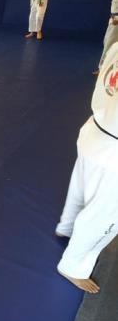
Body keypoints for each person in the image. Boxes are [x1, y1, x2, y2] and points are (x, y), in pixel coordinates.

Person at [55, 42, 118, 294]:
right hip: (114, 152)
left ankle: (69, 227)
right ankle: (74, 266)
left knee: (84, 190)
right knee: (106, 215)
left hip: (95, 132)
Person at [94, 0, 118, 74]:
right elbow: (115, 6)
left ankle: (103, 68)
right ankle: (103, 68)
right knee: (108, 43)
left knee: (109, 44)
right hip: (115, 19)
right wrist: (114, 17)